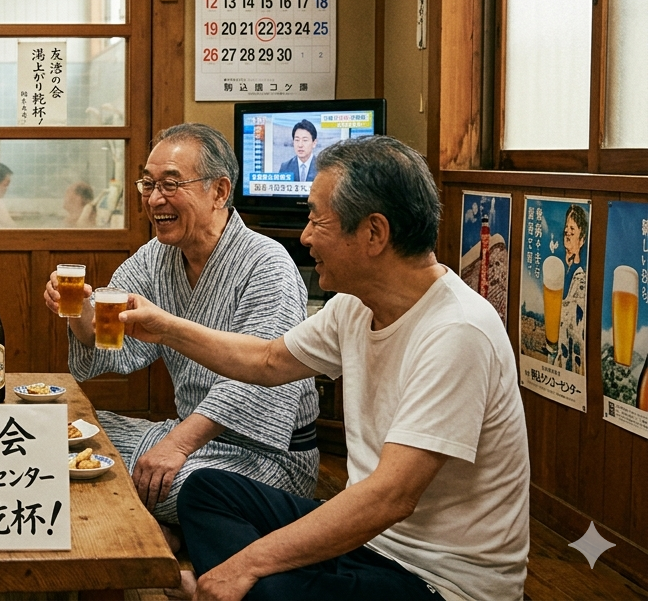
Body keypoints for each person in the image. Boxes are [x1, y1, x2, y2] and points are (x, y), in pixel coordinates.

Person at [122, 135, 529, 601]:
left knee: (264, 583)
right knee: (206, 491)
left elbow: (389, 498)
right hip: (368, 545)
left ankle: (230, 587)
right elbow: (267, 359)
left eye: (317, 218)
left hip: (440, 581)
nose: (305, 235)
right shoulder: (354, 307)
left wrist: (245, 564)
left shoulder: (458, 331)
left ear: (374, 233)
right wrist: (165, 327)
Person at [43, 124, 317, 534]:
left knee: (184, 488)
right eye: (148, 184)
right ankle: (169, 528)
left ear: (220, 191)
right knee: (57, 439)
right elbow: (108, 336)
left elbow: (260, 379)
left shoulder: (267, 264)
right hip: (188, 438)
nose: (154, 199)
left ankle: (170, 527)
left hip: (264, 456)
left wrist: (176, 447)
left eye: (171, 184)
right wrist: (79, 311)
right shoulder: (156, 256)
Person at [555, 203, 590, 373]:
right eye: (566, 228)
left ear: (582, 239)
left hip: (572, 358)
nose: (567, 232)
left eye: (573, 229)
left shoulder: (581, 278)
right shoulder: (561, 270)